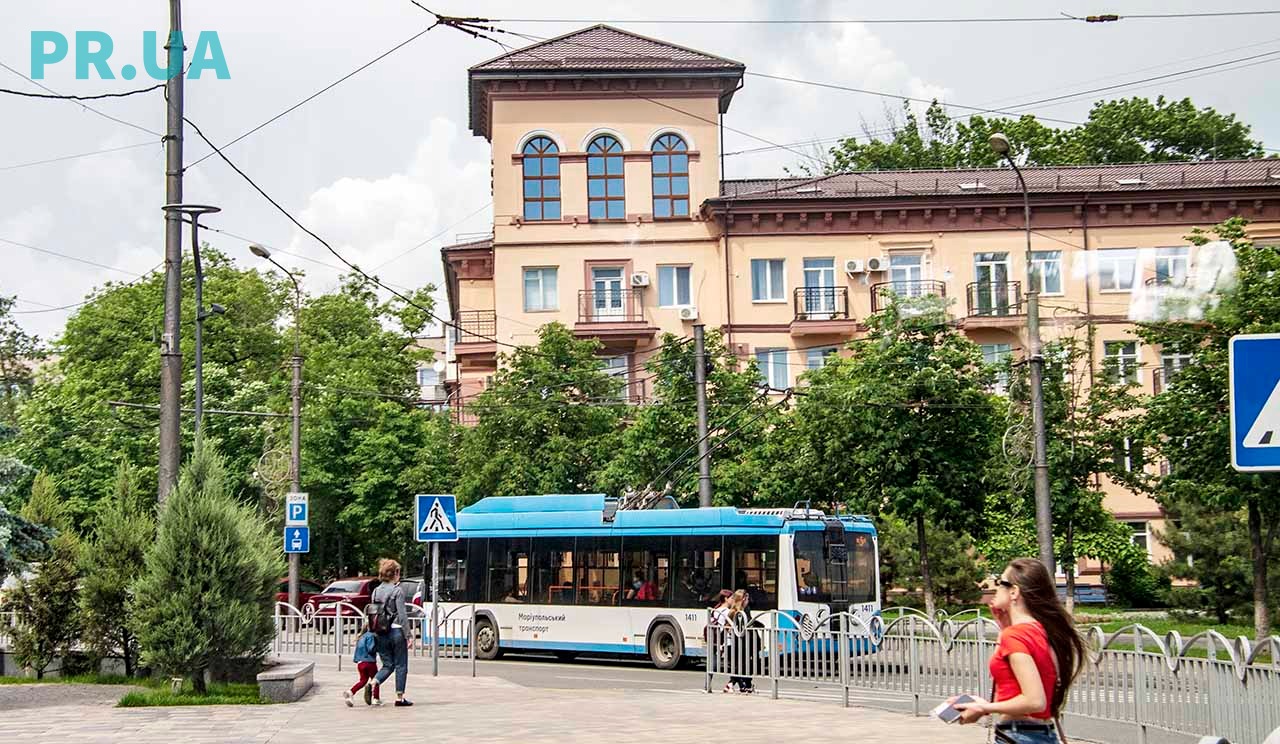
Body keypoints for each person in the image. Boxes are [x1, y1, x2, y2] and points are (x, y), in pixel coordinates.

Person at [949, 558, 1085, 743]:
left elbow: (1035, 701)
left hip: (1019, 735)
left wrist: (984, 708)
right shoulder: (1041, 630)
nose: (996, 589)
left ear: (1014, 592)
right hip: (1040, 733)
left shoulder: (1015, 636)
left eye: (1000, 583)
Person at [370, 558, 414, 707]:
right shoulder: (397, 591)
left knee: (387, 664)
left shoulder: (376, 591)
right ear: (395, 573)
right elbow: (402, 615)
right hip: (396, 632)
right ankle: (399, 697)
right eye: (398, 572)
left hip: (380, 632)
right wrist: (408, 635)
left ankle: (374, 681)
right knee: (401, 665)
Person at [343, 620, 380, 707]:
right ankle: (376, 698)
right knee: (376, 679)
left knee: (363, 680)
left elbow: (357, 652)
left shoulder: (361, 637)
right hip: (370, 662)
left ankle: (351, 692)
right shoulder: (371, 636)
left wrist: (357, 660)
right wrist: (378, 648)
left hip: (360, 663)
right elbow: (371, 648)